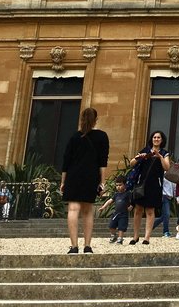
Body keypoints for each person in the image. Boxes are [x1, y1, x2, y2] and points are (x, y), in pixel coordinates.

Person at [59, 106, 110, 254]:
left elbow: (66, 161)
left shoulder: (74, 137)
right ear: (96, 120)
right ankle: (87, 246)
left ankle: (74, 246)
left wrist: (63, 181)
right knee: (87, 211)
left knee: (73, 209)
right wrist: (102, 182)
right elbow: (102, 162)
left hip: (73, 175)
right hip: (90, 175)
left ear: (81, 120)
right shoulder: (102, 136)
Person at [128, 129, 171, 245]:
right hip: (142, 183)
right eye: (154, 137)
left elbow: (167, 167)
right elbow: (131, 163)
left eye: (158, 138)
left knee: (150, 210)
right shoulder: (145, 150)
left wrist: (159, 157)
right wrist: (139, 157)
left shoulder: (164, 153)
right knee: (138, 210)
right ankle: (135, 236)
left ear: (162, 140)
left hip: (155, 185)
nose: (156, 139)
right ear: (151, 139)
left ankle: (147, 237)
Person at [98, 177, 130, 244]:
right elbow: (110, 201)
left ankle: (120, 238)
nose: (118, 187)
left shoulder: (127, 194)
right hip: (115, 214)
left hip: (123, 214)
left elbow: (132, 202)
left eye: (120, 185)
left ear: (125, 185)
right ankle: (114, 235)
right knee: (111, 225)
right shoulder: (116, 194)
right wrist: (103, 207)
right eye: (117, 185)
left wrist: (131, 206)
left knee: (121, 227)